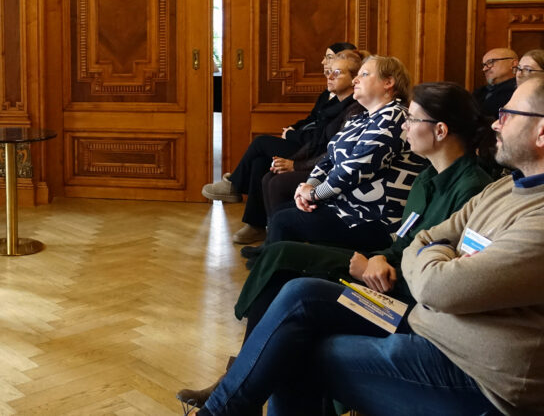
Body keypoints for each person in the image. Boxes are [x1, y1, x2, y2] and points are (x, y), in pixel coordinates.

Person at [179, 76, 544, 416]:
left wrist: (424, 256)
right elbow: (421, 240)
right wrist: (414, 255)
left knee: (294, 345)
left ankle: (226, 398)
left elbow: (437, 284)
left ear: (541, 132)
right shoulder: (503, 188)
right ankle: (228, 397)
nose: (496, 124)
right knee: (300, 291)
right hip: (421, 316)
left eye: (509, 114)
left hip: (449, 349)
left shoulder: (496, 195)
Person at [244, 56, 426, 255]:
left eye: (364, 74)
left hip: (374, 217)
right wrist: (309, 185)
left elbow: (357, 168)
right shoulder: (361, 118)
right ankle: (272, 257)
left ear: (388, 82)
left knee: (284, 221)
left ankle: (272, 265)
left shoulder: (395, 115)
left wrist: (314, 194)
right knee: (283, 210)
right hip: (347, 205)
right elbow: (329, 158)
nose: (355, 80)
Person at [203, 42, 357, 244]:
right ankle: (258, 227)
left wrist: (295, 157)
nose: (324, 64)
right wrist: (292, 130)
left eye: (331, 61)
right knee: (260, 164)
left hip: (315, 159)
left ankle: (235, 186)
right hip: (308, 149)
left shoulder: (353, 107)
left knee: (262, 145)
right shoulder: (330, 97)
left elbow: (328, 148)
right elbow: (312, 122)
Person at [258, 50, 365, 225]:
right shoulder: (332, 105)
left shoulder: (355, 108)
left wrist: (295, 166)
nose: (329, 76)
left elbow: (335, 152)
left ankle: (286, 232)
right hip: (318, 162)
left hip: (333, 169)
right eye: (330, 71)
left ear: (354, 79)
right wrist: (290, 162)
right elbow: (316, 141)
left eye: (337, 72)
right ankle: (273, 231)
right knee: (268, 177)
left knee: (278, 182)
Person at [473, 47, 517, 119]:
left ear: (513, 64)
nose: (484, 69)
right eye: (484, 65)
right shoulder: (480, 92)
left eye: (490, 62)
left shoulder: (520, 91)